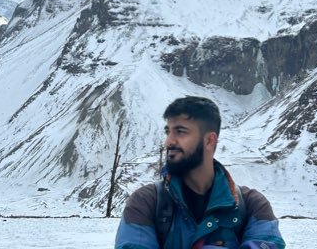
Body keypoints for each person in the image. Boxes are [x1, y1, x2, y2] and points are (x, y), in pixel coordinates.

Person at [115, 96, 286, 249]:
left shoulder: (253, 205)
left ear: (209, 140)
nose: (168, 142)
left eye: (180, 132)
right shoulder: (145, 202)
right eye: (168, 132)